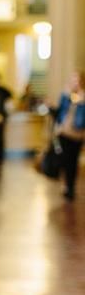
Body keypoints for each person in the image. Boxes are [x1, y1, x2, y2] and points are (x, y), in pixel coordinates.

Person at [51, 70, 85, 201]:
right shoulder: (65, 95)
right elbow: (60, 112)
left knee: (73, 161)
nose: (75, 83)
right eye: (73, 80)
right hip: (64, 132)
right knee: (64, 160)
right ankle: (66, 184)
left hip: (77, 134)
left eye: (78, 80)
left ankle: (71, 187)